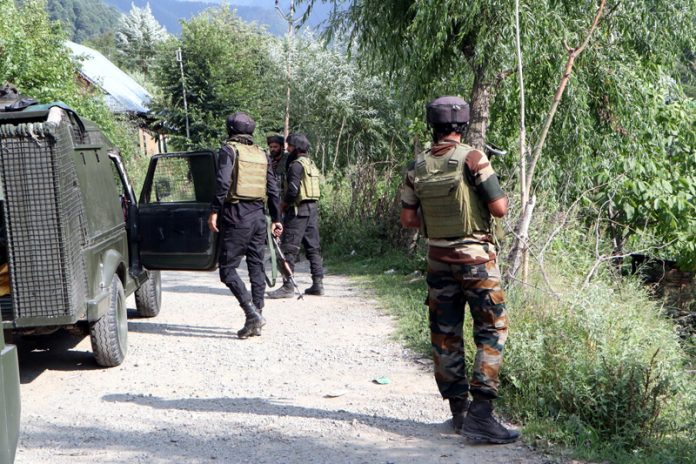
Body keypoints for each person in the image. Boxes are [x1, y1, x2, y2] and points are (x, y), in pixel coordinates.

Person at [400, 96, 519, 444]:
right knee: (492, 329)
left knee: (445, 334)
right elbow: (499, 208)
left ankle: (459, 414)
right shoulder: (473, 158)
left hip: (438, 261)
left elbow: (409, 219)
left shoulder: (416, 166)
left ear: (432, 126)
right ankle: (481, 415)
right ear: (462, 126)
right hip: (476, 262)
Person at [208, 112, 283, 338]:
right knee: (255, 266)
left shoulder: (229, 150)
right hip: (259, 217)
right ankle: (257, 316)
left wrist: (214, 210)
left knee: (227, 270)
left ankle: (252, 314)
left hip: (236, 215)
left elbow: (222, 181)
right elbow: (272, 188)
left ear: (231, 129)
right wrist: (276, 218)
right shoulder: (262, 154)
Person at [267, 133, 324, 298]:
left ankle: (288, 286)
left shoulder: (296, 166)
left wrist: (282, 206)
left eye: (289, 146)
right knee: (313, 248)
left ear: (296, 148)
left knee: (287, 249)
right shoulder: (310, 164)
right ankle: (318, 284)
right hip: (312, 209)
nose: (287, 149)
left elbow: (292, 191)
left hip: (298, 211)